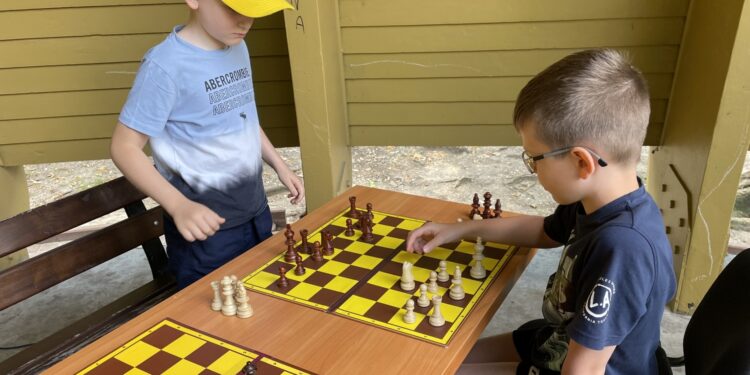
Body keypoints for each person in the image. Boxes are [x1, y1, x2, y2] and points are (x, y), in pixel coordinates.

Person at [406, 49, 676, 375]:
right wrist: (459, 230)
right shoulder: (597, 200)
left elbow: (584, 370)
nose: (532, 170)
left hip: (573, 365)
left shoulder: (622, 248)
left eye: (534, 158)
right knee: (433, 362)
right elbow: (541, 231)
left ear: (581, 162)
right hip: (553, 342)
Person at [110, 0, 303, 289]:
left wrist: (279, 165)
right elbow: (123, 147)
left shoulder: (237, 47)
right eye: (234, 9)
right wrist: (178, 206)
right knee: (215, 321)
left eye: (253, 12)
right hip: (204, 232)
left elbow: (243, 117)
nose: (245, 21)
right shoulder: (164, 67)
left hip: (255, 212)